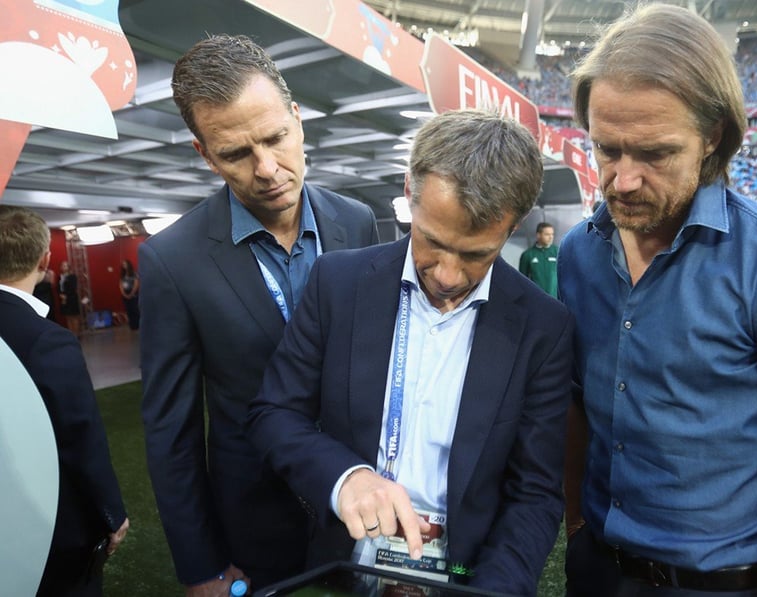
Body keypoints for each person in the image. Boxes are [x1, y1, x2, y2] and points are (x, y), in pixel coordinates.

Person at [559, 5, 757, 596]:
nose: (622, 179)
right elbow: (578, 403)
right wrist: (578, 524)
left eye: (654, 153)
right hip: (597, 570)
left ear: (713, 137)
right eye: (606, 149)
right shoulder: (581, 251)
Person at [247, 110, 573, 596]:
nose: (446, 275)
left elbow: (536, 492)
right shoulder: (336, 284)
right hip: (342, 568)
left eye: (475, 255)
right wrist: (347, 479)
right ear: (408, 193)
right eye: (433, 242)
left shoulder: (543, 327)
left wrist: (490, 590)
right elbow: (273, 414)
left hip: (466, 577)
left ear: (513, 227)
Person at [138, 34, 380, 594]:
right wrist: (200, 567)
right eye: (235, 154)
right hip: (255, 523)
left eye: (276, 138)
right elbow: (170, 433)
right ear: (203, 153)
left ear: (298, 119)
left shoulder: (358, 221)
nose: (267, 168)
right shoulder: (171, 261)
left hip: (364, 510)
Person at [0, 205, 130, 596]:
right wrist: (112, 514)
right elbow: (80, 438)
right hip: (48, 529)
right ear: (45, 259)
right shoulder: (47, 340)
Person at [518, 221, 558, 296]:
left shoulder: (558, 252)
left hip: (554, 299)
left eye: (552, 234)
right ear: (538, 235)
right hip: (536, 299)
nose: (551, 237)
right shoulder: (528, 255)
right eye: (547, 234)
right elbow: (522, 281)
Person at [58, 260, 83, 336]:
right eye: (62, 265)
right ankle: (71, 333)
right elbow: (59, 287)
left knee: (74, 316)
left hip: (71, 298)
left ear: (68, 267)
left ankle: (76, 334)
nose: (63, 267)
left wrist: (66, 295)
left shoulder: (72, 276)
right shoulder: (60, 276)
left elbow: (73, 288)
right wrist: (60, 294)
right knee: (68, 317)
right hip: (63, 299)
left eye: (65, 265)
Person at [119, 259, 140, 331]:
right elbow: (121, 285)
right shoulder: (122, 275)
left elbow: (136, 284)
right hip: (125, 293)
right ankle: (132, 326)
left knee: (135, 309)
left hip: (133, 293)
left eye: (125, 264)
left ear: (128, 265)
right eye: (123, 264)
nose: (124, 266)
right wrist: (124, 294)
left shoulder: (134, 274)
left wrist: (132, 293)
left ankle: (138, 325)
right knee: (129, 310)